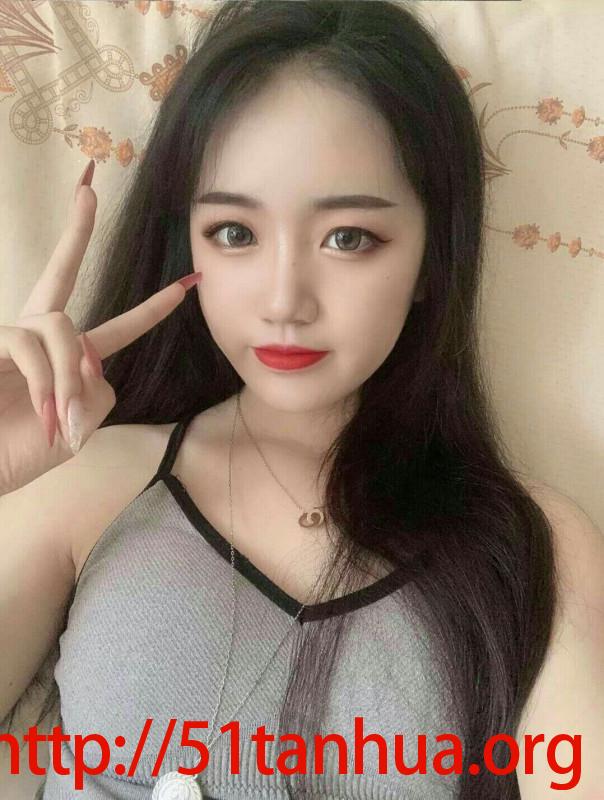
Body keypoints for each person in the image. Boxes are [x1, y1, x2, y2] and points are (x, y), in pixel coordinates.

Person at [0, 1, 602, 799]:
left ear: (432, 258)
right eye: (234, 233)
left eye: (348, 237)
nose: (284, 300)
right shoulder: (88, 475)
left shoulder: (531, 547)